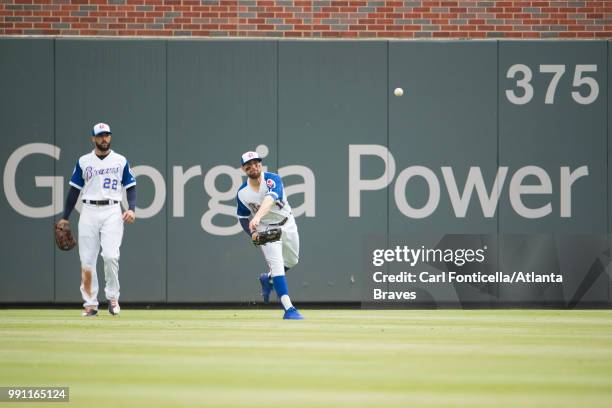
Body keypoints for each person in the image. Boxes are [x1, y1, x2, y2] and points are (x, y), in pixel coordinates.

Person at [57, 122, 136, 317]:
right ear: (93, 138)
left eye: (107, 135)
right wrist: (65, 217)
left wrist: (132, 209)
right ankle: (90, 304)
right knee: (87, 260)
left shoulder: (120, 160)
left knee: (110, 256)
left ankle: (112, 298)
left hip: (112, 210)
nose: (104, 139)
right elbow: (74, 190)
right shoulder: (84, 161)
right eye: (100, 136)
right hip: (89, 210)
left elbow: (131, 186)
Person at [236, 151, 304, 320]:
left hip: (287, 223)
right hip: (266, 229)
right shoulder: (242, 193)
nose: (253, 166)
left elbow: (270, 199)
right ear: (243, 169)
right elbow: (243, 217)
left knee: (293, 260)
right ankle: (289, 309)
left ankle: (268, 279)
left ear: (261, 164)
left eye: (256, 162)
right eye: (248, 165)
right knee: (277, 265)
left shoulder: (272, 179)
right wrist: (252, 232)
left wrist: (257, 216)